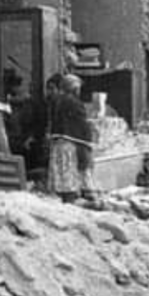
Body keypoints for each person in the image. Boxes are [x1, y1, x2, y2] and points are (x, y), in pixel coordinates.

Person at [47, 74, 96, 203]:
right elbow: (81, 124)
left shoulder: (57, 100)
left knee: (61, 169)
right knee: (71, 168)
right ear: (74, 88)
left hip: (59, 140)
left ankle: (63, 195)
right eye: (78, 88)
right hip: (70, 141)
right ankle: (72, 195)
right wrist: (89, 138)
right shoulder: (74, 102)